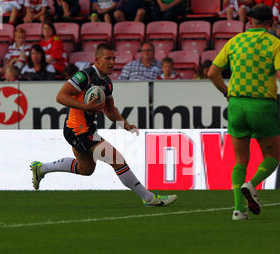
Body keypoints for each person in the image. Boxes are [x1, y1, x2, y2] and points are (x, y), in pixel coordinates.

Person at [30, 43, 177, 207]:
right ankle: (149, 198)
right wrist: (86, 107)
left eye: (114, 58)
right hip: (77, 129)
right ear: (97, 60)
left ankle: (41, 168)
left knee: (86, 169)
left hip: (85, 129)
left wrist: (126, 125)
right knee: (117, 159)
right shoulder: (85, 76)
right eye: (108, 58)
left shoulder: (107, 83)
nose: (112, 62)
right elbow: (60, 96)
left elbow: (110, 110)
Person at [208, 4, 280, 220]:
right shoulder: (275, 44)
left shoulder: (235, 41)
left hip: (237, 105)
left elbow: (212, 73)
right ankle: (252, 184)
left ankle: (239, 210)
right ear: (271, 22)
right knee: (273, 156)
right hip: (262, 105)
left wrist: (227, 93)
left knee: (240, 160)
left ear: (250, 21)